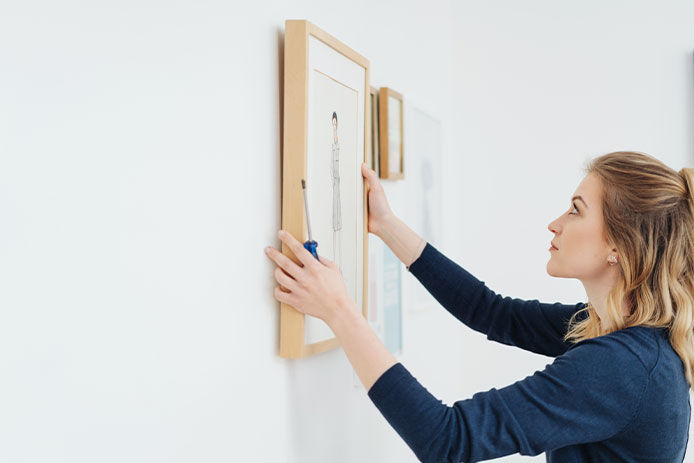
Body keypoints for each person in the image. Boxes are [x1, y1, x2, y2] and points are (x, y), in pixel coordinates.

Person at [264, 151, 694, 462]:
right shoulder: (621, 336)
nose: (555, 223)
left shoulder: (622, 368)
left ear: (620, 246)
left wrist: (340, 311)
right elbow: (490, 311)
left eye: (576, 211)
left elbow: (446, 441)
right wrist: (387, 226)